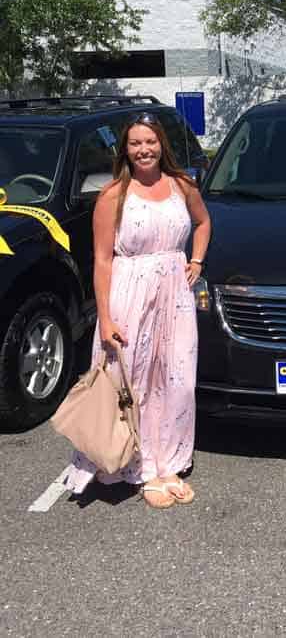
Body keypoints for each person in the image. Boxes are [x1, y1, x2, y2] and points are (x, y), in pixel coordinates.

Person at [64, 112, 211, 509]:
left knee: (177, 379)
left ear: (161, 144)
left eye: (150, 142)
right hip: (129, 293)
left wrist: (196, 261)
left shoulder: (183, 185)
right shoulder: (114, 195)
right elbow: (102, 261)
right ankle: (143, 467)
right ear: (124, 150)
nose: (143, 149)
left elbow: (203, 222)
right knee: (135, 382)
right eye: (135, 143)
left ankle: (171, 463)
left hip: (174, 297)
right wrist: (106, 319)